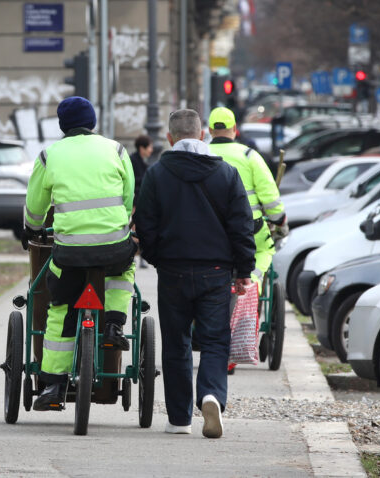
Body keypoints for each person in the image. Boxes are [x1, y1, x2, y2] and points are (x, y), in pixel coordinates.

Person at [134, 109, 255, 438]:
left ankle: (178, 419)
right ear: (202, 136)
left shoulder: (158, 174)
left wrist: (157, 257)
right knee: (215, 340)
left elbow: (145, 223)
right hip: (216, 271)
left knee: (176, 343)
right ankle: (212, 394)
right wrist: (243, 269)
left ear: (170, 139)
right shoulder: (227, 173)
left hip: (173, 269)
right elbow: (241, 225)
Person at [23, 96, 137, 410]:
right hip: (113, 245)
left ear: (62, 126)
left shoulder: (49, 155)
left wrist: (32, 229)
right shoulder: (115, 149)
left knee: (60, 306)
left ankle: (53, 387)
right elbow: (128, 199)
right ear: (93, 122)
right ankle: (113, 324)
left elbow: (35, 208)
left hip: (70, 251)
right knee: (123, 269)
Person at [208, 107, 288, 293]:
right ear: (235, 128)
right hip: (251, 229)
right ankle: (252, 284)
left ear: (210, 131)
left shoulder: (201, 155)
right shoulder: (249, 156)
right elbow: (271, 200)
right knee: (264, 251)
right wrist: (280, 222)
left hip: (210, 231)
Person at [130, 135, 153, 269]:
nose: (151, 150)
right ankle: (134, 255)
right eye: (149, 147)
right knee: (135, 228)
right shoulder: (134, 161)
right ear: (141, 148)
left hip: (140, 199)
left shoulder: (142, 162)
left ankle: (140, 256)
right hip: (136, 200)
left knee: (139, 228)